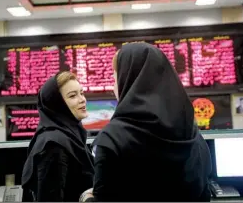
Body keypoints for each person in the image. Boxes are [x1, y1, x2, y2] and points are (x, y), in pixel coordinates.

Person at [81, 43, 212, 202]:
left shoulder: (112, 140)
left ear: (127, 80)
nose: (113, 86)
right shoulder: (194, 137)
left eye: (115, 77)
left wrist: (86, 197)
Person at [21, 71, 94, 202]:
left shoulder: (72, 136)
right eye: (72, 96)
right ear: (57, 104)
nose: (82, 99)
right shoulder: (54, 144)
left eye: (81, 93)